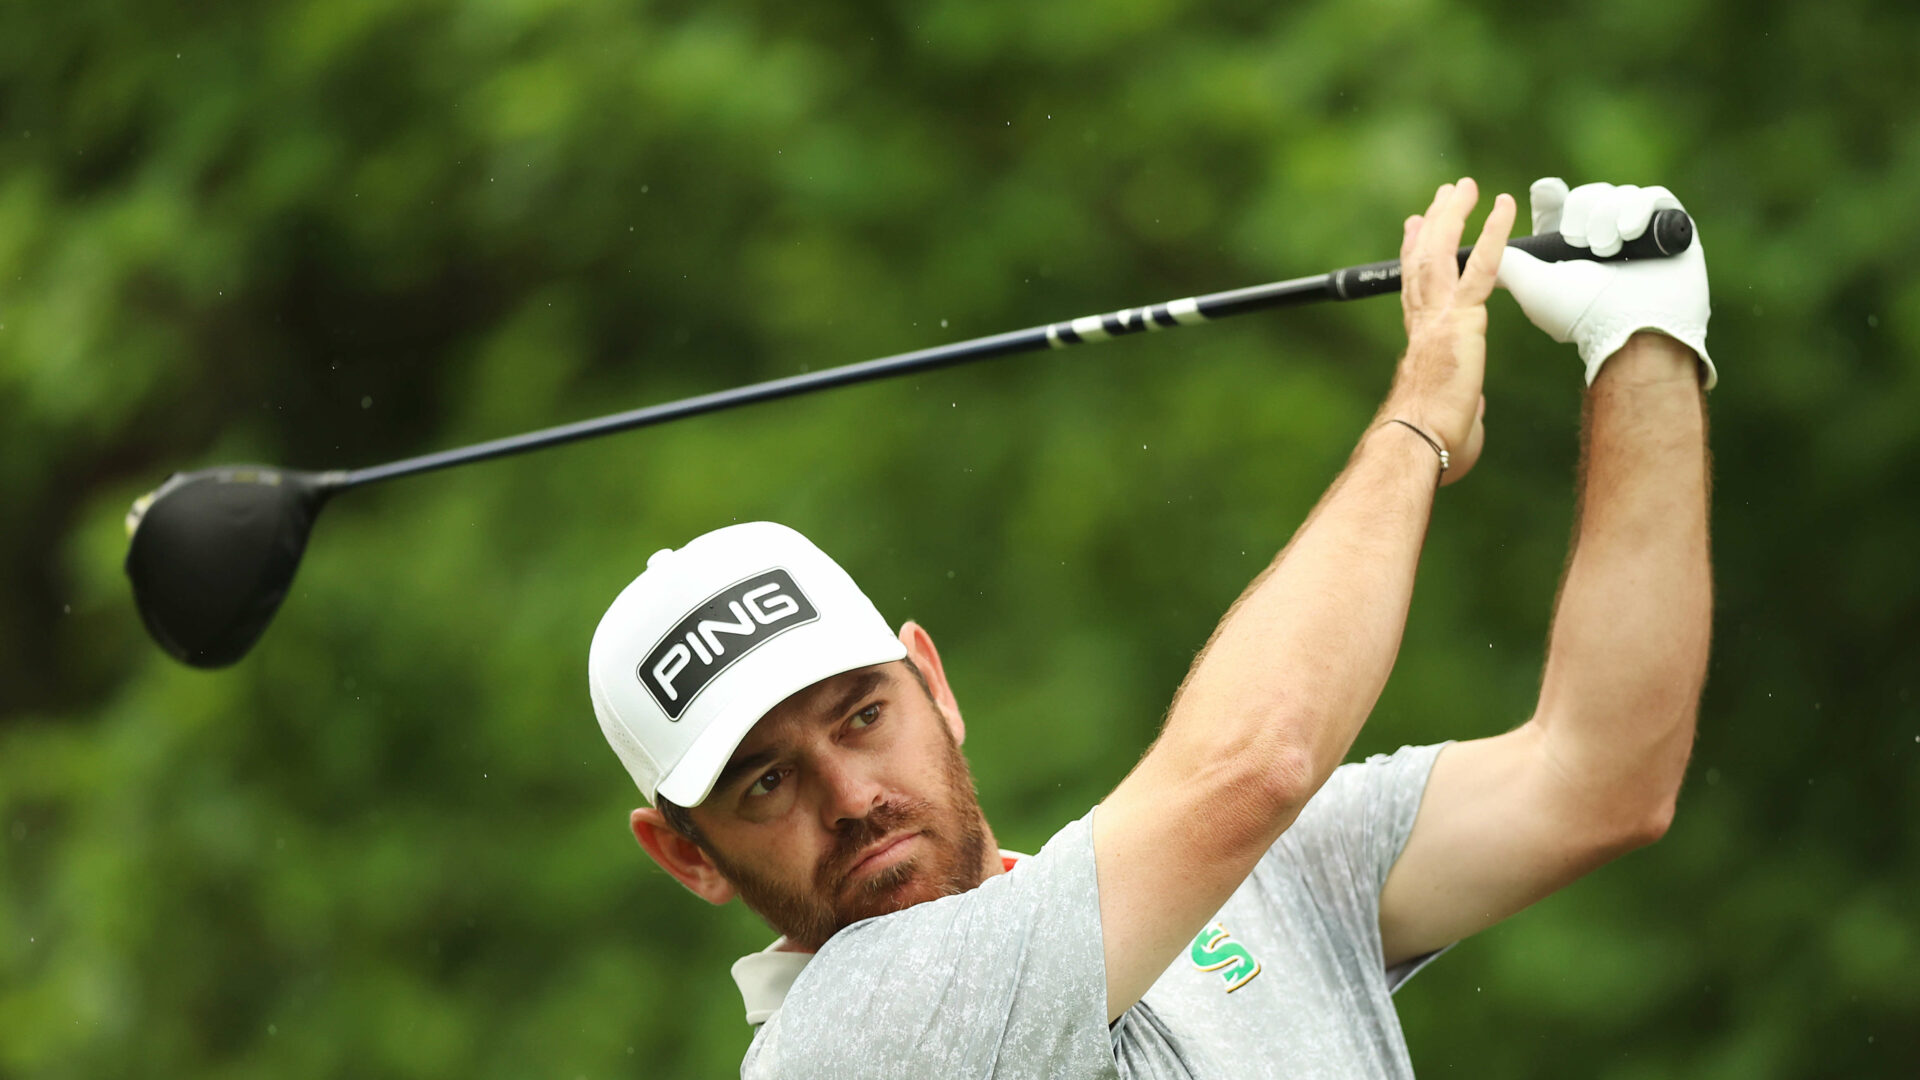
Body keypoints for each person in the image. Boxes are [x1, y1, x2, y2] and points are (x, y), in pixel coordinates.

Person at [586, 176, 1715, 1079]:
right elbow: (1254, 767)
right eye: (765, 785)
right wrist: (1416, 419)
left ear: (933, 680)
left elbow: (1601, 776)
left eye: (863, 714)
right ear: (686, 854)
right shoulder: (848, 1044)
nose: (850, 798)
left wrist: (1646, 346)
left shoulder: (1236, 882)